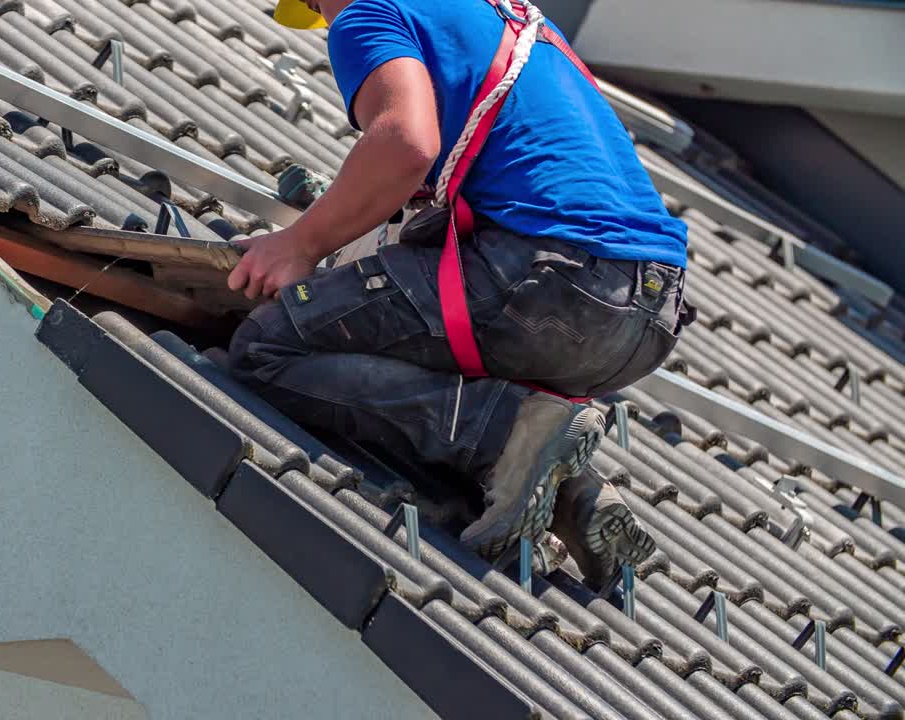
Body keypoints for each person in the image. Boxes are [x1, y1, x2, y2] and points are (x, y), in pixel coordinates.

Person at [226, 0, 689, 587]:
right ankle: (575, 495)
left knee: (267, 348)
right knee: (399, 354)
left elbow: (404, 144)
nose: (326, 16)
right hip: (647, 318)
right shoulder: (510, 22)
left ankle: (502, 433)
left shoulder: (370, 13)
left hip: (554, 284)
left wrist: (300, 244)